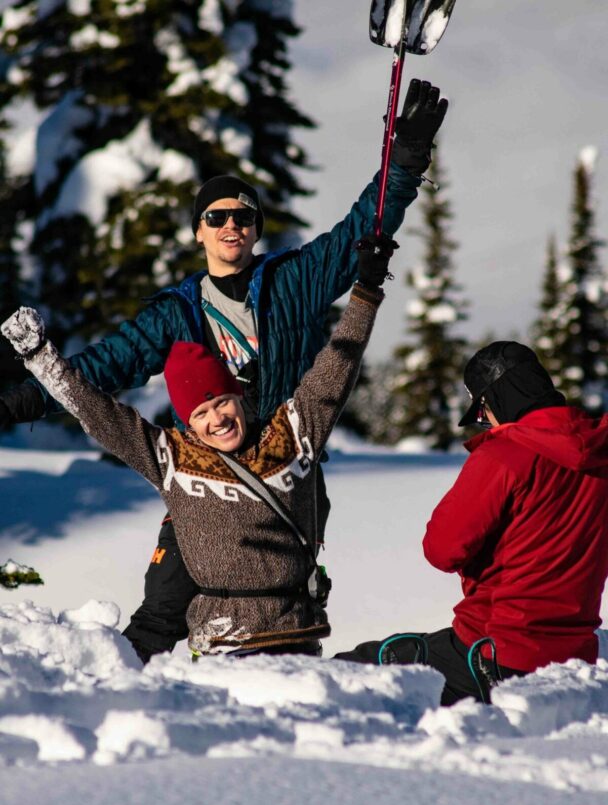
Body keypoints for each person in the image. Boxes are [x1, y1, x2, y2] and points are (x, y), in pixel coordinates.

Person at [0, 79, 449, 662]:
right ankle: (128, 702)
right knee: (163, 609)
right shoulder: (177, 314)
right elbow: (102, 370)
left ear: (256, 227)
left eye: (242, 215)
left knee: (278, 605)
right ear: (198, 231)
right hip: (203, 480)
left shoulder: (292, 280)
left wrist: (405, 159)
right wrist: (22, 400)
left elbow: (360, 232)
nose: (230, 225)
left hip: (281, 477)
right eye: (216, 216)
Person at [1, 236, 395, 657]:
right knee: (157, 616)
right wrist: (41, 358)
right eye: (202, 413)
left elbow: (339, 363)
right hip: (222, 649)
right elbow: (96, 411)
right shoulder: (171, 456)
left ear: (239, 397)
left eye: (222, 402)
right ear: (187, 422)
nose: (218, 419)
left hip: (294, 641)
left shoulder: (293, 434)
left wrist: (366, 293)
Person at [336, 341, 608, 705]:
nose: (487, 422)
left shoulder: (505, 454)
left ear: (497, 399)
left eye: (483, 412)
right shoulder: (599, 454)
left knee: (350, 671)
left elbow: (442, 549)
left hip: (494, 652)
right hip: (575, 656)